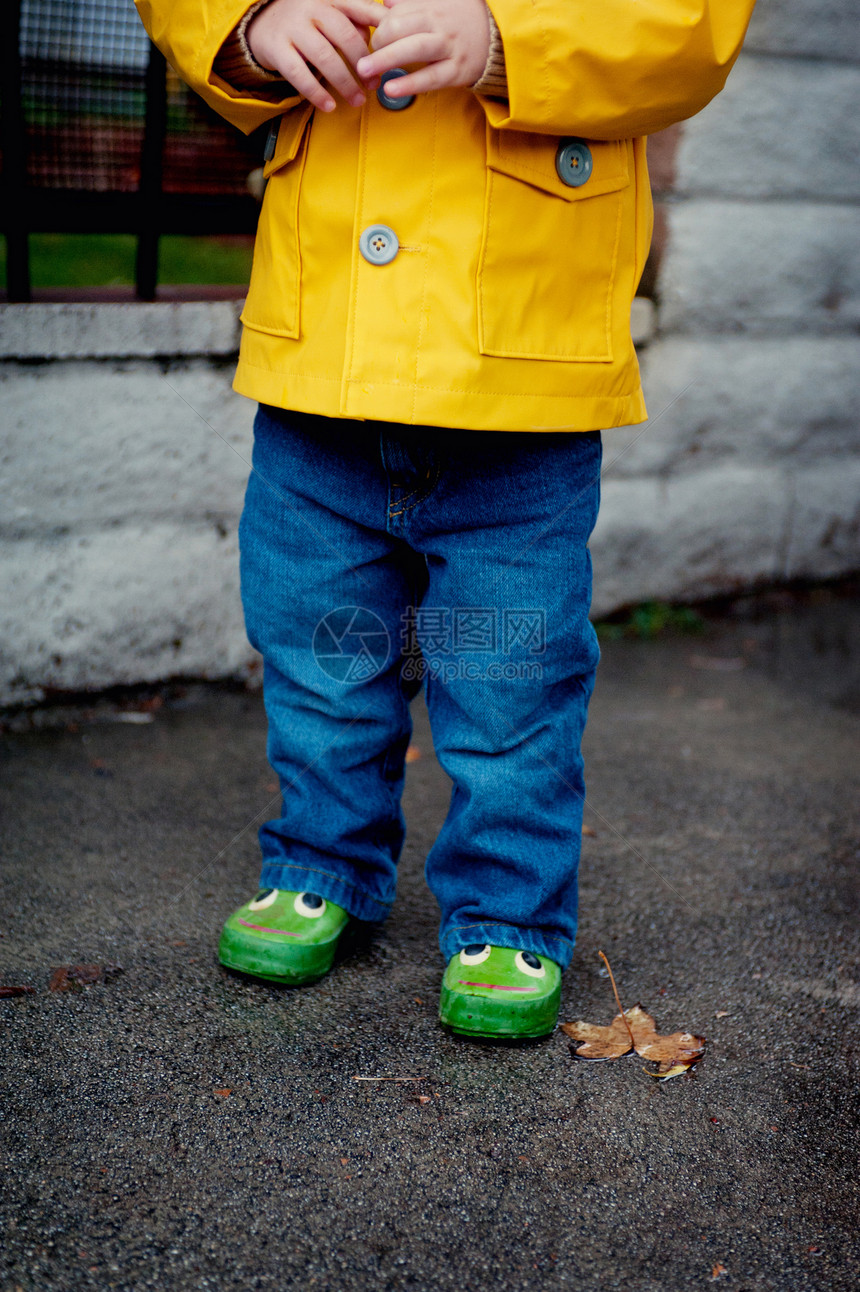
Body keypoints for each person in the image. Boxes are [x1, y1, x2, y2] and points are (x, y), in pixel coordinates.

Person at [135, 0, 756, 1038]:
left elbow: (689, 22)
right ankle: (319, 860)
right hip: (320, 361)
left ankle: (509, 907)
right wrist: (243, 25)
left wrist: (512, 37)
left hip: (516, 370)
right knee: (320, 645)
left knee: (506, 670)